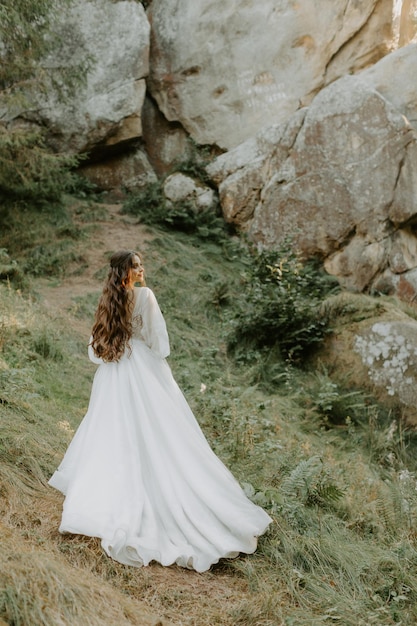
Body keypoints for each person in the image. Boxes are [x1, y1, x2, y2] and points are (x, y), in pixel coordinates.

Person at [49, 250, 272, 573]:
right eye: (136, 265)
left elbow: (94, 352)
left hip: (113, 374)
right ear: (127, 270)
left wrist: (119, 352)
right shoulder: (145, 296)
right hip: (142, 368)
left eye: (141, 264)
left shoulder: (109, 298)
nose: (142, 268)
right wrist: (147, 356)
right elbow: (160, 343)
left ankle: (109, 492)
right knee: (161, 431)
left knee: (113, 431)